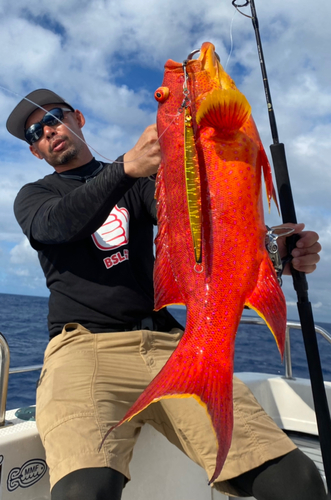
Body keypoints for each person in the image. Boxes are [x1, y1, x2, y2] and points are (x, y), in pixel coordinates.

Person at [7, 89, 326, 500]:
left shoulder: (140, 183)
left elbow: (196, 227)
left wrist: (266, 252)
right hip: (85, 348)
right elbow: (56, 226)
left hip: (172, 345)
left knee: (298, 481)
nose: (48, 130)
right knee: (83, 492)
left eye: (53, 116)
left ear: (79, 118)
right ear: (35, 152)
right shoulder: (34, 197)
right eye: (35, 133)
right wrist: (125, 168)